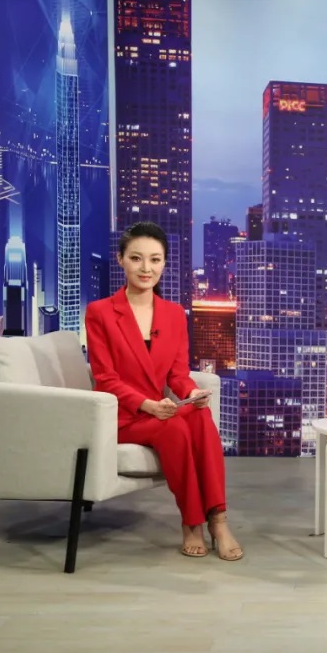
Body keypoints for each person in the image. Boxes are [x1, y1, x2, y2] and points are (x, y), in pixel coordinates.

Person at [85, 222, 243, 561]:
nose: (146, 268)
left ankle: (218, 519)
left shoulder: (173, 314)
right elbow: (105, 379)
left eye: (155, 260)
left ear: (164, 264)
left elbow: (177, 374)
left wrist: (192, 392)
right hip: (125, 415)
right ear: (121, 260)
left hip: (159, 408)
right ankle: (191, 522)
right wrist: (147, 405)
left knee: (200, 418)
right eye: (136, 258)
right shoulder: (100, 312)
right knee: (172, 427)